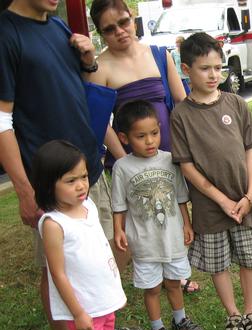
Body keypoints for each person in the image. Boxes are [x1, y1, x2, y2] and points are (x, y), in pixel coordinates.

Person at [0, 0, 142, 330]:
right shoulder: (7, 34)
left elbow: (79, 94)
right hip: (52, 185)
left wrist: (88, 62)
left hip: (88, 169)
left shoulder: (57, 27)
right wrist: (26, 190)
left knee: (103, 254)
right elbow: (2, 122)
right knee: (58, 269)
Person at [33, 140, 149, 330]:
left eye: (83, 177)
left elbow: (99, 250)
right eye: (70, 180)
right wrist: (78, 312)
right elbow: (57, 274)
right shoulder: (53, 224)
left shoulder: (88, 208)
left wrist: (113, 290)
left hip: (102, 299)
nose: (80, 185)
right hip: (83, 307)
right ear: (49, 185)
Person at [88, 0, 201, 295]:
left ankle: (175, 273)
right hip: (129, 159)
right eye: (109, 29)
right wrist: (125, 159)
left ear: (133, 19)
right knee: (142, 218)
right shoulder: (100, 68)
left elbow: (180, 102)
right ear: (101, 33)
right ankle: (132, 278)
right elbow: (102, 124)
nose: (119, 32)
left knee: (173, 209)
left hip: (167, 154)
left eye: (123, 22)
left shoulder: (158, 55)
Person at [171, 33, 252, 330]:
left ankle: (251, 313)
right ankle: (233, 315)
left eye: (218, 67)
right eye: (205, 69)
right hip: (211, 206)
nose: (214, 75)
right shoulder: (181, 116)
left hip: (244, 199)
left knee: (249, 259)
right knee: (219, 263)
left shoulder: (236, 103)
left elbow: (250, 150)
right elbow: (187, 167)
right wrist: (222, 200)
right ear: (187, 69)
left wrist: (249, 195)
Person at [111, 100, 204, 330]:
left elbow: (181, 197)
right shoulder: (122, 167)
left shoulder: (170, 160)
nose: (150, 141)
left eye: (154, 133)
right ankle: (157, 329)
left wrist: (186, 223)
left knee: (174, 282)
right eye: (141, 136)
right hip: (144, 241)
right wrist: (119, 230)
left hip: (172, 236)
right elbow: (119, 205)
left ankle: (180, 319)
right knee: (151, 288)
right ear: (125, 137)